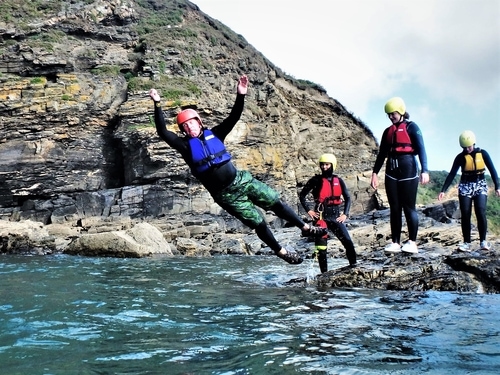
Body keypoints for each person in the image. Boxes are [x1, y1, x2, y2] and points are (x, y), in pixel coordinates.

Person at [148, 74, 326, 265]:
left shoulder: (215, 133)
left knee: (275, 201)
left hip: (242, 180)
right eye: (185, 126)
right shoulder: (184, 146)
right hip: (226, 195)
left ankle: (305, 228)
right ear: (183, 131)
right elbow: (163, 132)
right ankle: (281, 252)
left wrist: (241, 95)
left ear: (199, 122)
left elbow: (234, 117)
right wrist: (157, 104)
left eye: (191, 122)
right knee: (258, 222)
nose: (189, 127)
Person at [370, 97, 430, 254]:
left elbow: (421, 149)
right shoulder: (387, 132)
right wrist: (374, 174)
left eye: (393, 114)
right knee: (395, 208)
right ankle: (395, 242)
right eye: (388, 114)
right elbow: (382, 154)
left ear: (401, 111)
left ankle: (412, 242)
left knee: (408, 207)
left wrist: (425, 170)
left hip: (409, 170)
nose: (391, 117)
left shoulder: (412, 127)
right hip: (391, 172)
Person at [438, 130, 500, 251]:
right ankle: (466, 242)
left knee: (480, 211)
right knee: (465, 214)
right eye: (465, 147)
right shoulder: (460, 157)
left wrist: (498, 187)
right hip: (465, 186)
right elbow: (451, 174)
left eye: (469, 147)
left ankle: (483, 241)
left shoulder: (483, 154)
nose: (467, 149)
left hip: (480, 185)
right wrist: (443, 190)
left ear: (474, 143)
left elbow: (493, 170)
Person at [299, 153, 357, 272]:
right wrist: (309, 210)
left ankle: (354, 266)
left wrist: (345, 214)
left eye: (327, 164)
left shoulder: (339, 180)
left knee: (348, 243)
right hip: (321, 218)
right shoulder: (315, 180)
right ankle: (324, 274)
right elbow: (302, 196)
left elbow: (348, 198)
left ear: (332, 165)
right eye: (322, 165)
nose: (324, 167)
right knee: (321, 248)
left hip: (335, 217)